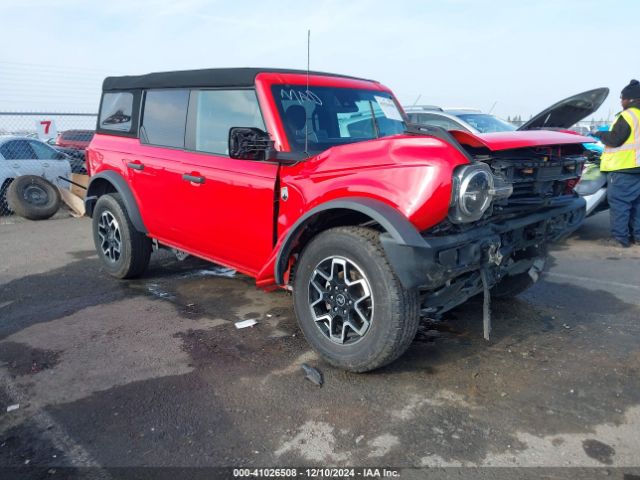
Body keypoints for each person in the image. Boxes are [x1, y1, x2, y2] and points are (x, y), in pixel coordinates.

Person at [593, 79, 640, 248]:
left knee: (620, 204)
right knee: (637, 205)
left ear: (631, 99)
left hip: (623, 168)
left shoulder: (628, 115)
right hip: (637, 170)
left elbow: (615, 139)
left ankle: (620, 239)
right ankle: (637, 237)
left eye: (622, 98)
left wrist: (599, 134)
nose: (621, 102)